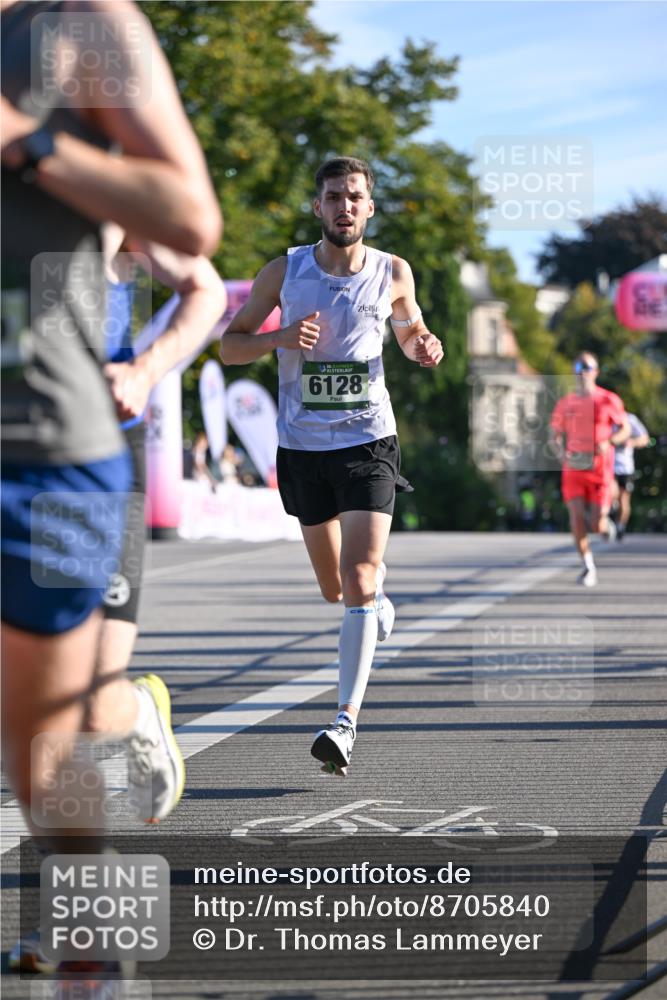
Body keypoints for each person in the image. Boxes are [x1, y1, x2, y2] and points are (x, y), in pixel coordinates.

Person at [2, 0, 221, 976]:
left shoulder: (73, 28)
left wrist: (147, 367)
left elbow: (199, 265)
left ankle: (129, 722)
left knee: (69, 730)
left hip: (62, 440)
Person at [220, 156, 443, 774]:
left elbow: (410, 331)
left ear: (370, 207)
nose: (345, 206)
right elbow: (230, 346)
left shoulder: (393, 271)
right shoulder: (284, 271)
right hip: (302, 446)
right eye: (334, 197)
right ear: (317, 207)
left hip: (368, 440)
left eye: (354, 196)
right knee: (336, 589)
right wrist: (279, 338)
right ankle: (373, 601)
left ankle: (344, 722)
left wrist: (423, 345)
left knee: (360, 575)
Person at [549, 352, 630, 587]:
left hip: (600, 470)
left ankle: (606, 525)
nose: (582, 373)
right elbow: (554, 436)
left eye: (587, 368)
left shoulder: (608, 399)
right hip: (574, 469)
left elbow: (624, 429)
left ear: (596, 372)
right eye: (578, 368)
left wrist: (610, 441)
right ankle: (588, 566)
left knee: (596, 524)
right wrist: (560, 454)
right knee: (576, 517)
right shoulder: (566, 403)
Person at [612, 412, 650, 540]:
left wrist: (632, 442)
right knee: (611, 494)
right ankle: (610, 515)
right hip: (607, 467)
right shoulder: (604, 417)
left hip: (625, 467)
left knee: (623, 500)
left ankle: (620, 526)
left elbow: (645, 438)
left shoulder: (629, 419)